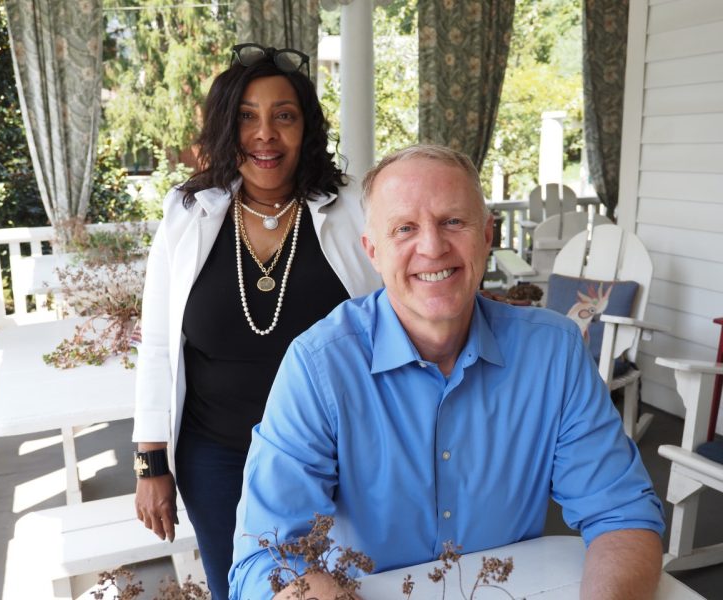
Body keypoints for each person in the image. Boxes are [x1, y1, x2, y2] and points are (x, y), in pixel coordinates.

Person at [229, 144, 665, 600]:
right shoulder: (319, 366)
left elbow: (621, 514)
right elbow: (266, 559)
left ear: (487, 236)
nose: (433, 247)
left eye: (453, 221)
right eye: (405, 228)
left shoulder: (554, 352)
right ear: (372, 251)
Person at [131, 43, 382, 600]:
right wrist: (151, 465)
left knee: (348, 585)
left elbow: (398, 315)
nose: (265, 134)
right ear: (226, 127)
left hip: (340, 452)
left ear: (306, 128)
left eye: (283, 116)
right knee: (242, 589)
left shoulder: (355, 208)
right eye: (247, 116)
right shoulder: (188, 211)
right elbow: (157, 344)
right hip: (215, 454)